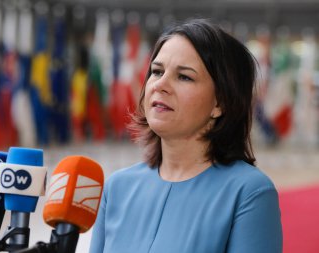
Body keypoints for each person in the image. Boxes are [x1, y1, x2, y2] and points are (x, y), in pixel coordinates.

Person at [90, 19, 283, 253]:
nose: (160, 85)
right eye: (157, 71)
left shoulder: (249, 193)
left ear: (220, 102)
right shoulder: (117, 187)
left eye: (184, 77)